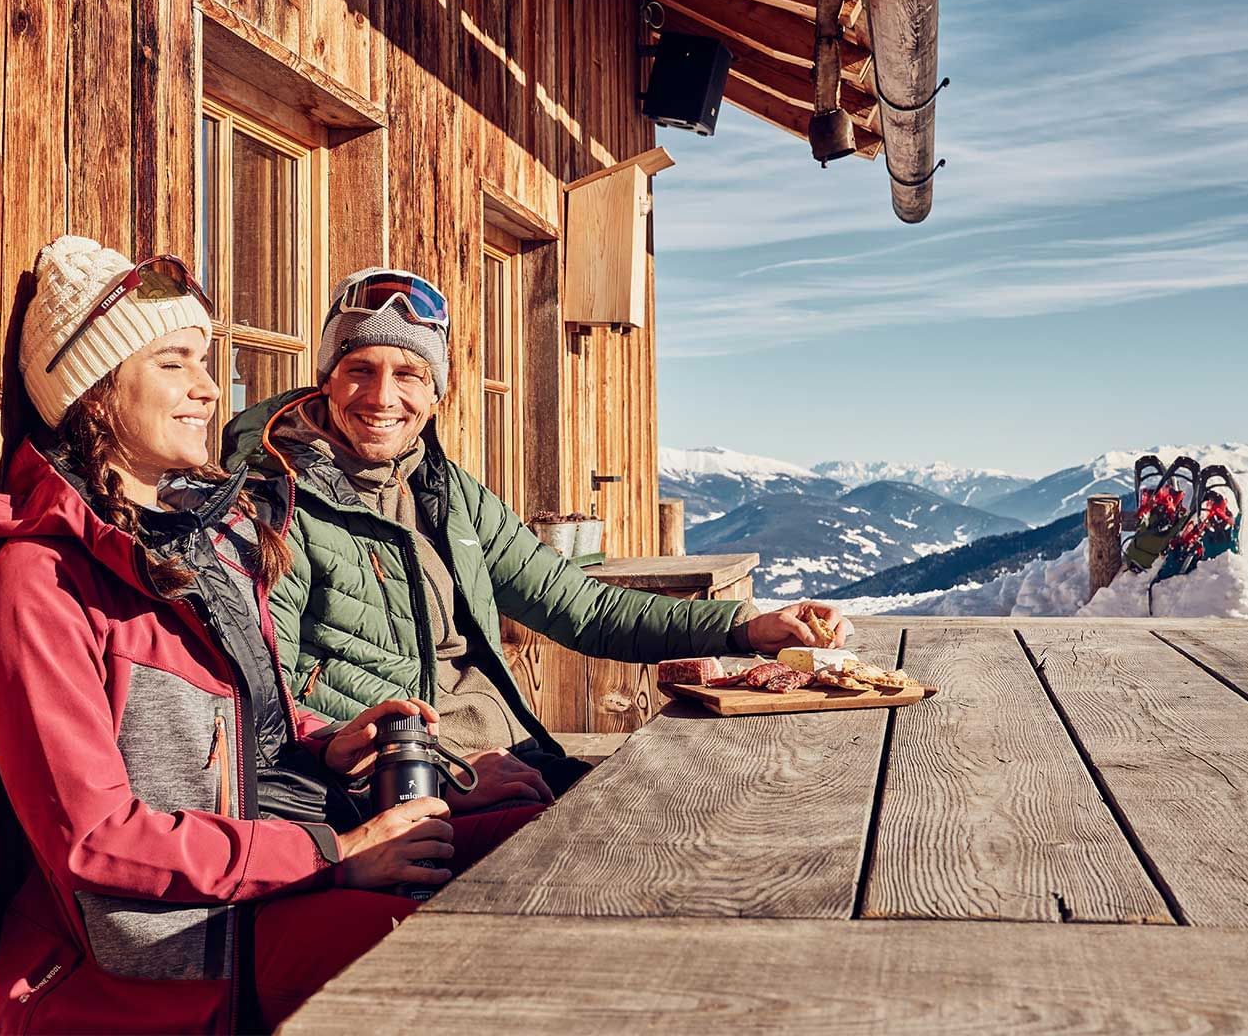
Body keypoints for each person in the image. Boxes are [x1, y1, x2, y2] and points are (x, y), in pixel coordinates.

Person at [0, 238, 541, 1033]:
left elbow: (243, 720)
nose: (209, 389)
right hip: (176, 949)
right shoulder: (37, 579)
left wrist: (329, 742)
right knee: (443, 963)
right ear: (93, 391)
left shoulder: (196, 541)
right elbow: (94, 839)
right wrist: (333, 857)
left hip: (277, 858)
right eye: (174, 362)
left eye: (206, 361)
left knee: (544, 841)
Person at [222, 267, 852, 808]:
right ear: (328, 379)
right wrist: (439, 770)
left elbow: (583, 609)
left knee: (724, 800)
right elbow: (269, 687)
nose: (383, 396)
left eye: (410, 374)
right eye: (360, 369)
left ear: (437, 393)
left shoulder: (444, 491)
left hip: (509, 752)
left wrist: (745, 626)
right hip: (405, 786)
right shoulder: (274, 498)